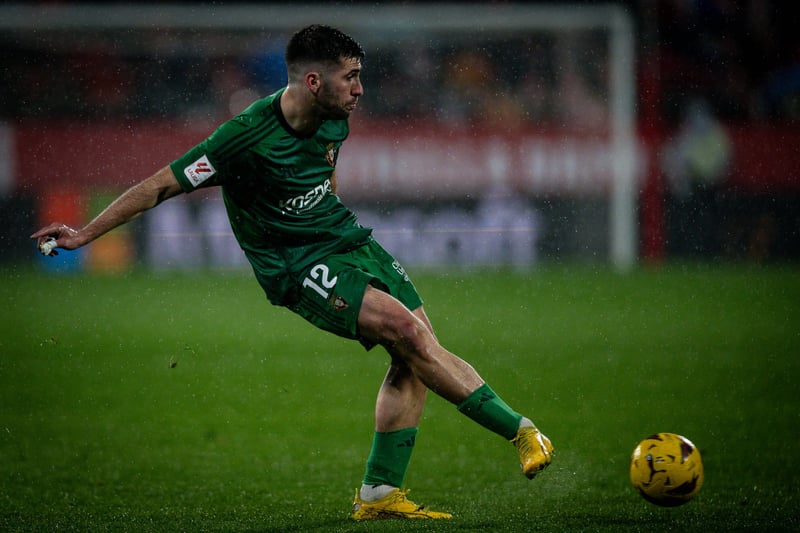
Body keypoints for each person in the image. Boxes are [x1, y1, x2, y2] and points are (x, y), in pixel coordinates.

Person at [31, 24, 553, 520]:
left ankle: (379, 494)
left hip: (346, 240)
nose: (360, 89)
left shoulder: (336, 115)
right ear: (314, 81)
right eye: (351, 76)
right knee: (409, 333)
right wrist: (85, 233)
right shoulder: (243, 137)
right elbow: (159, 185)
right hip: (297, 264)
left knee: (417, 353)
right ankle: (521, 431)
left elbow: (324, 172)